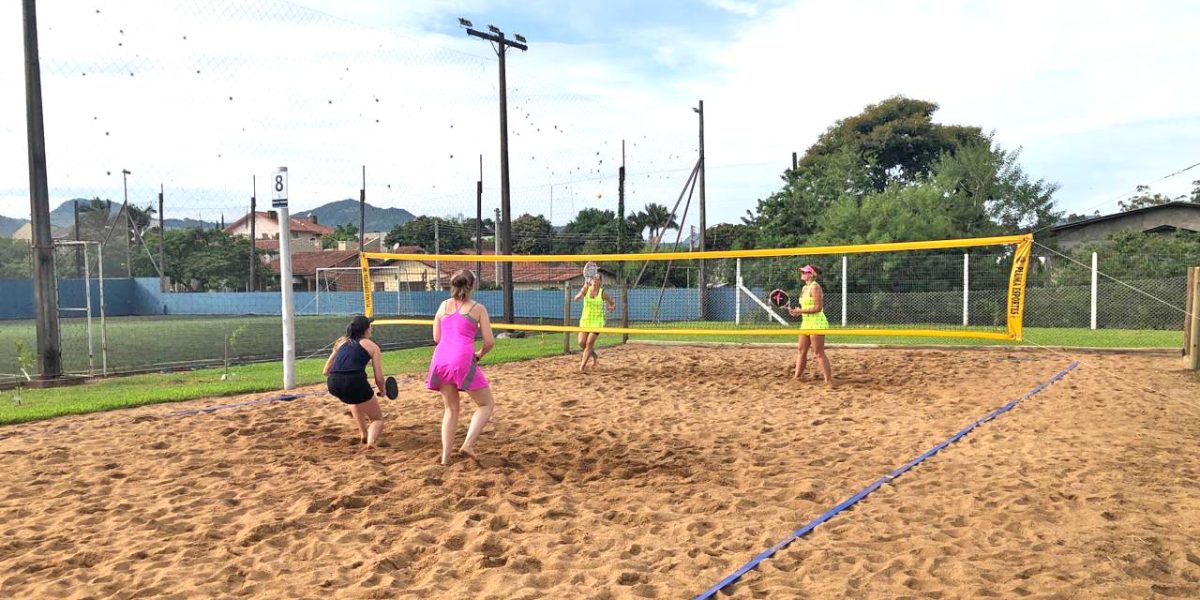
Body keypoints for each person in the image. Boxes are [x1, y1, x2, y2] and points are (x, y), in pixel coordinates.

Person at [427, 270, 496, 465]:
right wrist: (479, 354)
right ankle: (468, 444)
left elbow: (436, 338)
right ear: (472, 286)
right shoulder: (478, 308)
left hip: (440, 359)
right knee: (486, 404)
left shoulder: (443, 305)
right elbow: (490, 341)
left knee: (450, 409)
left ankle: (445, 458)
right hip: (462, 358)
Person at [323, 315, 386, 448]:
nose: (371, 328)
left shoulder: (340, 342)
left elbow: (326, 371)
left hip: (333, 384)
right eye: (370, 326)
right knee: (377, 419)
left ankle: (363, 433)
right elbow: (379, 378)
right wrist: (383, 391)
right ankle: (371, 443)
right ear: (366, 329)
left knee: (354, 400)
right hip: (355, 382)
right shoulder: (372, 347)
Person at [789, 264, 833, 385]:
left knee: (818, 352)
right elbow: (806, 306)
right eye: (802, 271)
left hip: (817, 322)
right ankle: (797, 377)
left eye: (805, 272)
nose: (802, 273)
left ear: (812, 274)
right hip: (806, 322)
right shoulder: (804, 288)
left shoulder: (815, 287)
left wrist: (801, 311)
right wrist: (797, 311)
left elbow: (818, 308)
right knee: (801, 350)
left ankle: (828, 380)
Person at [573, 271, 615, 372]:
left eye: (597, 278)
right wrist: (579, 295)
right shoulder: (586, 289)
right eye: (594, 278)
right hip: (585, 320)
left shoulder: (602, 293)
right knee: (581, 342)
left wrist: (611, 307)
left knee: (589, 343)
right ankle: (594, 356)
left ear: (600, 282)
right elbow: (576, 298)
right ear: (591, 280)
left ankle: (581, 367)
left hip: (597, 321)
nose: (595, 280)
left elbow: (612, 303)